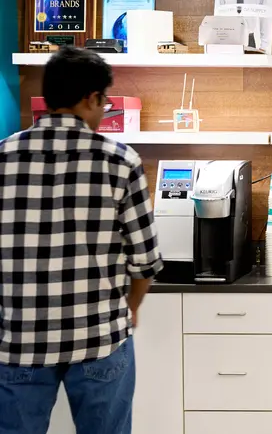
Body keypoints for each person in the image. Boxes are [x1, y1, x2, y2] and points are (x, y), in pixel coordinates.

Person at [0, 46, 163, 433]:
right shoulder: (120, 161)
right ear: (92, 98)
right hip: (100, 339)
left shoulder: (3, 157)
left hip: (19, 340)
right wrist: (131, 307)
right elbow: (145, 260)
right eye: (105, 101)